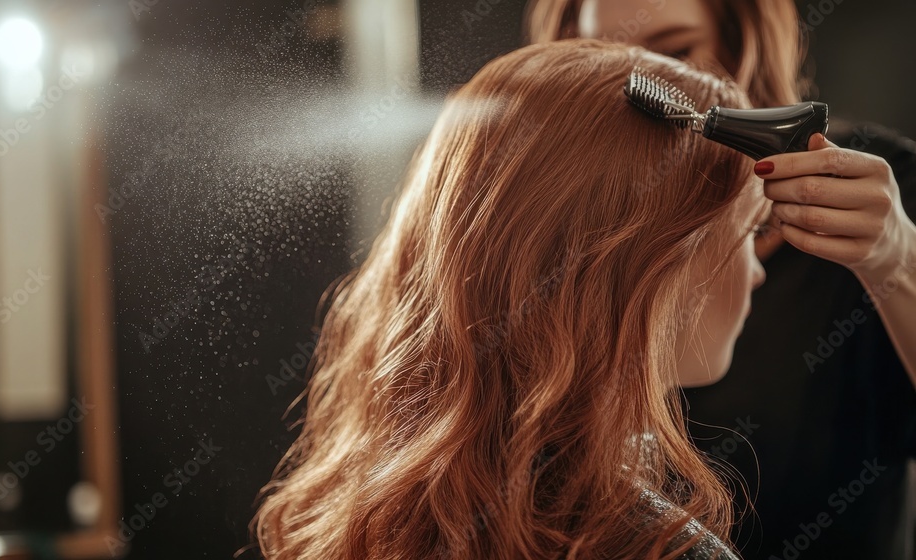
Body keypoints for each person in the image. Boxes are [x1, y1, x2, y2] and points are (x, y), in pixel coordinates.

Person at [248, 39, 772, 559]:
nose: (756, 274)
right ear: (645, 262)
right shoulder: (659, 549)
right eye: (749, 229)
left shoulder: (380, 514)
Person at [523, 1, 916, 558]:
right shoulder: (584, 231)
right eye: (610, 59)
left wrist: (899, 259)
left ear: (745, 45)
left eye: (676, 51)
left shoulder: (885, 191)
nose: (643, 82)